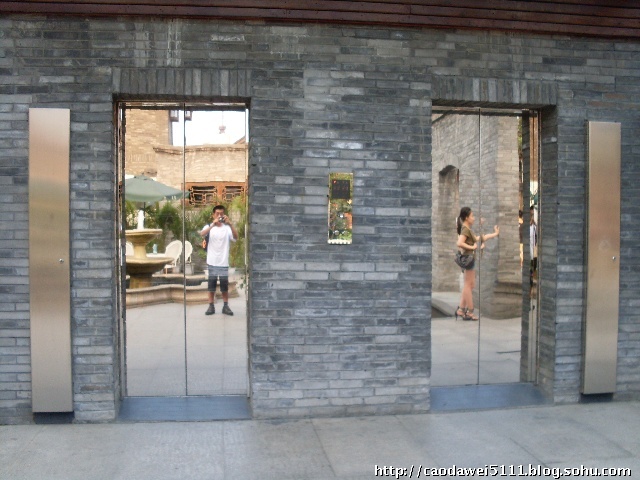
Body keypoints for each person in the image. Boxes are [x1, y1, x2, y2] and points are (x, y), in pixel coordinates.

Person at [454, 206, 499, 321]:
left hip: (470, 259)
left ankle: (461, 310)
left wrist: (494, 234)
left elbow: (479, 238)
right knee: (469, 285)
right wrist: (472, 247)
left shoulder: (467, 228)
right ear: (466, 217)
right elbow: (459, 243)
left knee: (470, 285)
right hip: (468, 259)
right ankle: (470, 311)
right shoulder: (465, 229)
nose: (473, 218)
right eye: (472, 216)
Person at [200, 205, 238, 316]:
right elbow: (202, 234)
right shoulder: (209, 226)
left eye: (222, 213)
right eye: (217, 213)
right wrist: (213, 224)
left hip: (223, 262)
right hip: (212, 261)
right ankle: (211, 306)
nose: (220, 215)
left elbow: (235, 238)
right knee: (211, 285)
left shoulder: (227, 228)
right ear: (213, 215)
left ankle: (225, 306)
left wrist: (230, 224)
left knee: (224, 286)